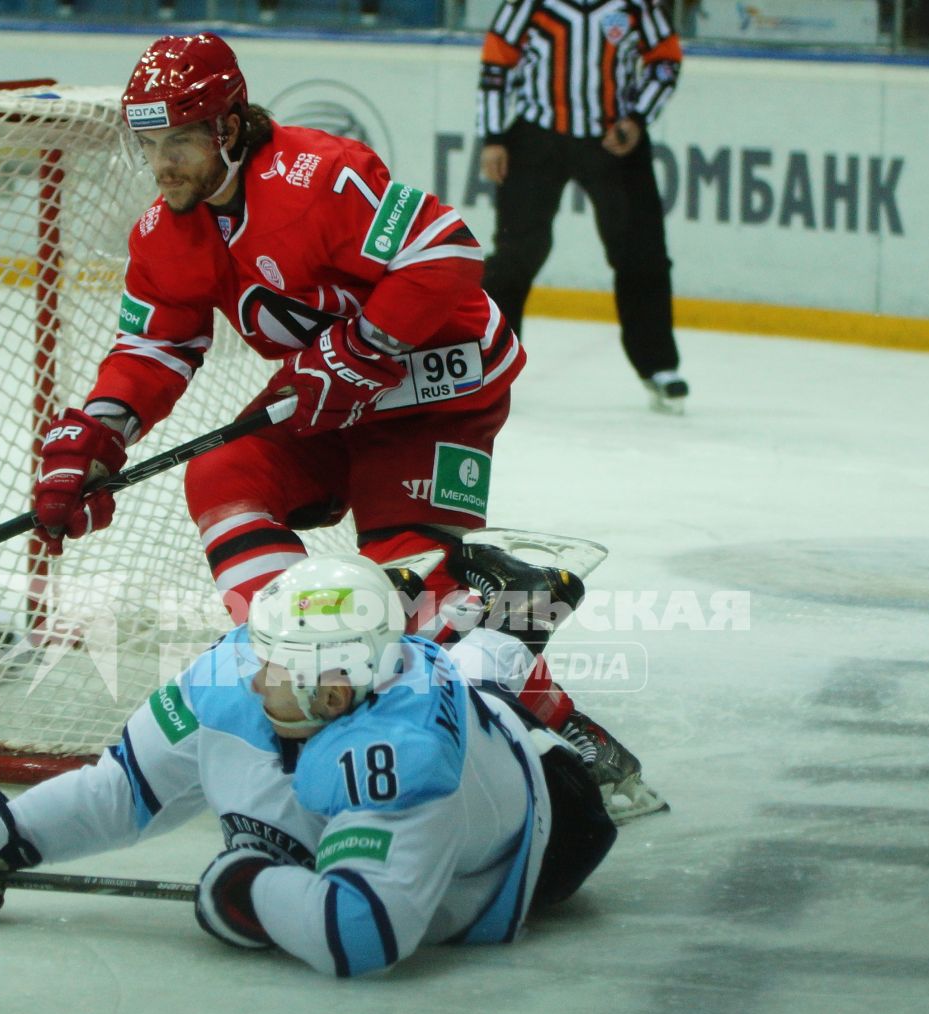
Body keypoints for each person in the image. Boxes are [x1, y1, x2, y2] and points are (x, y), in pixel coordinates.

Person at [33, 32, 662, 814]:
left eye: (180, 142)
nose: (162, 166)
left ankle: (568, 728)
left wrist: (362, 348)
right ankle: (292, 659)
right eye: (149, 144)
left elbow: (446, 251)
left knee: (411, 596)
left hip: (436, 388)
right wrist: (94, 440)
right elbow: (154, 344)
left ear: (227, 128)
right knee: (224, 474)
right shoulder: (169, 230)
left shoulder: (318, 175)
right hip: (330, 395)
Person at [0, 553, 618, 977]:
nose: (252, 675)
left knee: (475, 692)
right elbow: (125, 787)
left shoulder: (401, 765)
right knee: (458, 677)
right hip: (422, 695)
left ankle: (522, 615)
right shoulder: (245, 676)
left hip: (547, 810)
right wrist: (3, 830)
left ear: (331, 688)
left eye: (274, 665)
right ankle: (502, 613)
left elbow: (362, 933)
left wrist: (240, 888)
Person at [476, 0, 689, 414]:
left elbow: (665, 61)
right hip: (537, 137)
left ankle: (658, 364)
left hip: (614, 140)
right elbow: (496, 61)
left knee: (641, 252)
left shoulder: (637, 4)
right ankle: (488, 364)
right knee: (517, 253)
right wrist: (493, 136)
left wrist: (638, 117)